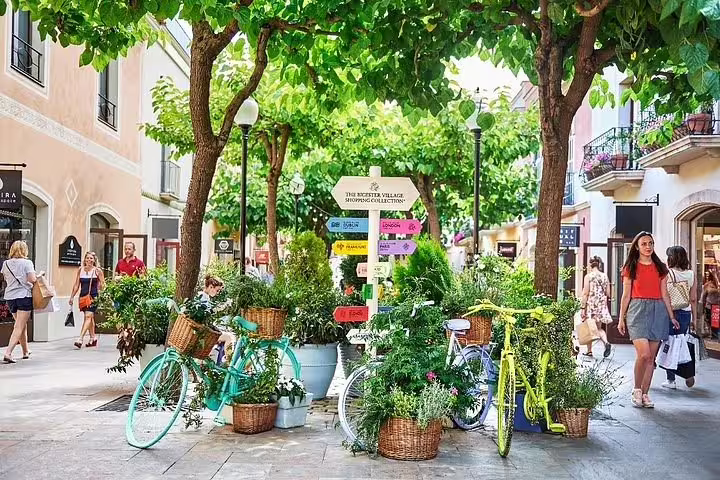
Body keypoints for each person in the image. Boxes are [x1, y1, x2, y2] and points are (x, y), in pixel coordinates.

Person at [618, 232, 679, 408]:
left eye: (650, 243)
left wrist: (671, 316)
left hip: (658, 310)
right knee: (643, 354)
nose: (648, 246)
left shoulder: (660, 267)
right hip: (637, 310)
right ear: (637, 246)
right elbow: (626, 295)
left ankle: (645, 394)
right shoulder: (631, 267)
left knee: (651, 358)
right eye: (644, 243)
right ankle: (636, 389)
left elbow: (665, 294)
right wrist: (621, 318)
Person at [662, 246, 697, 389]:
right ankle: (689, 373)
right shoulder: (691, 274)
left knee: (670, 344)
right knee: (682, 342)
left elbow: (665, 297)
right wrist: (694, 319)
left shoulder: (667, 274)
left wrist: (669, 315)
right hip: (686, 312)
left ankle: (671, 380)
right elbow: (693, 298)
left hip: (672, 312)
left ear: (671, 258)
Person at [2, 241, 37, 363]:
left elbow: (5, 278)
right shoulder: (27, 263)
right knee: (19, 326)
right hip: (24, 296)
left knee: (22, 325)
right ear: (24, 250)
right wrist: (39, 275)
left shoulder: (5, 263)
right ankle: (8, 352)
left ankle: (25, 351)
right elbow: (32, 279)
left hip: (10, 297)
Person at [70, 252, 105, 349]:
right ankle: (93, 338)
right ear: (84, 259)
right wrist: (72, 296)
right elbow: (76, 285)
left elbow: (103, 284)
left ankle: (80, 338)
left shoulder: (97, 271)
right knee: (90, 318)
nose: (89, 260)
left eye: (91, 258)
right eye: (87, 258)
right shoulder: (80, 270)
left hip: (93, 297)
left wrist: (102, 291)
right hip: (83, 297)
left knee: (88, 316)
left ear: (94, 260)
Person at [580, 256, 613, 358]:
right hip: (601, 305)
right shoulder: (604, 276)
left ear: (590, 265)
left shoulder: (588, 277)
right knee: (598, 328)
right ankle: (606, 342)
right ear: (599, 264)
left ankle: (589, 351)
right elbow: (608, 293)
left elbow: (585, 293)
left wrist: (582, 308)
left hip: (591, 305)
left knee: (589, 327)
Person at [700, 270, 720, 339]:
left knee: (716, 325)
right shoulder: (708, 285)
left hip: (717, 307)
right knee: (712, 323)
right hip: (710, 307)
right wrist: (702, 308)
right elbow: (703, 297)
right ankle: (713, 336)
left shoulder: (718, 285)